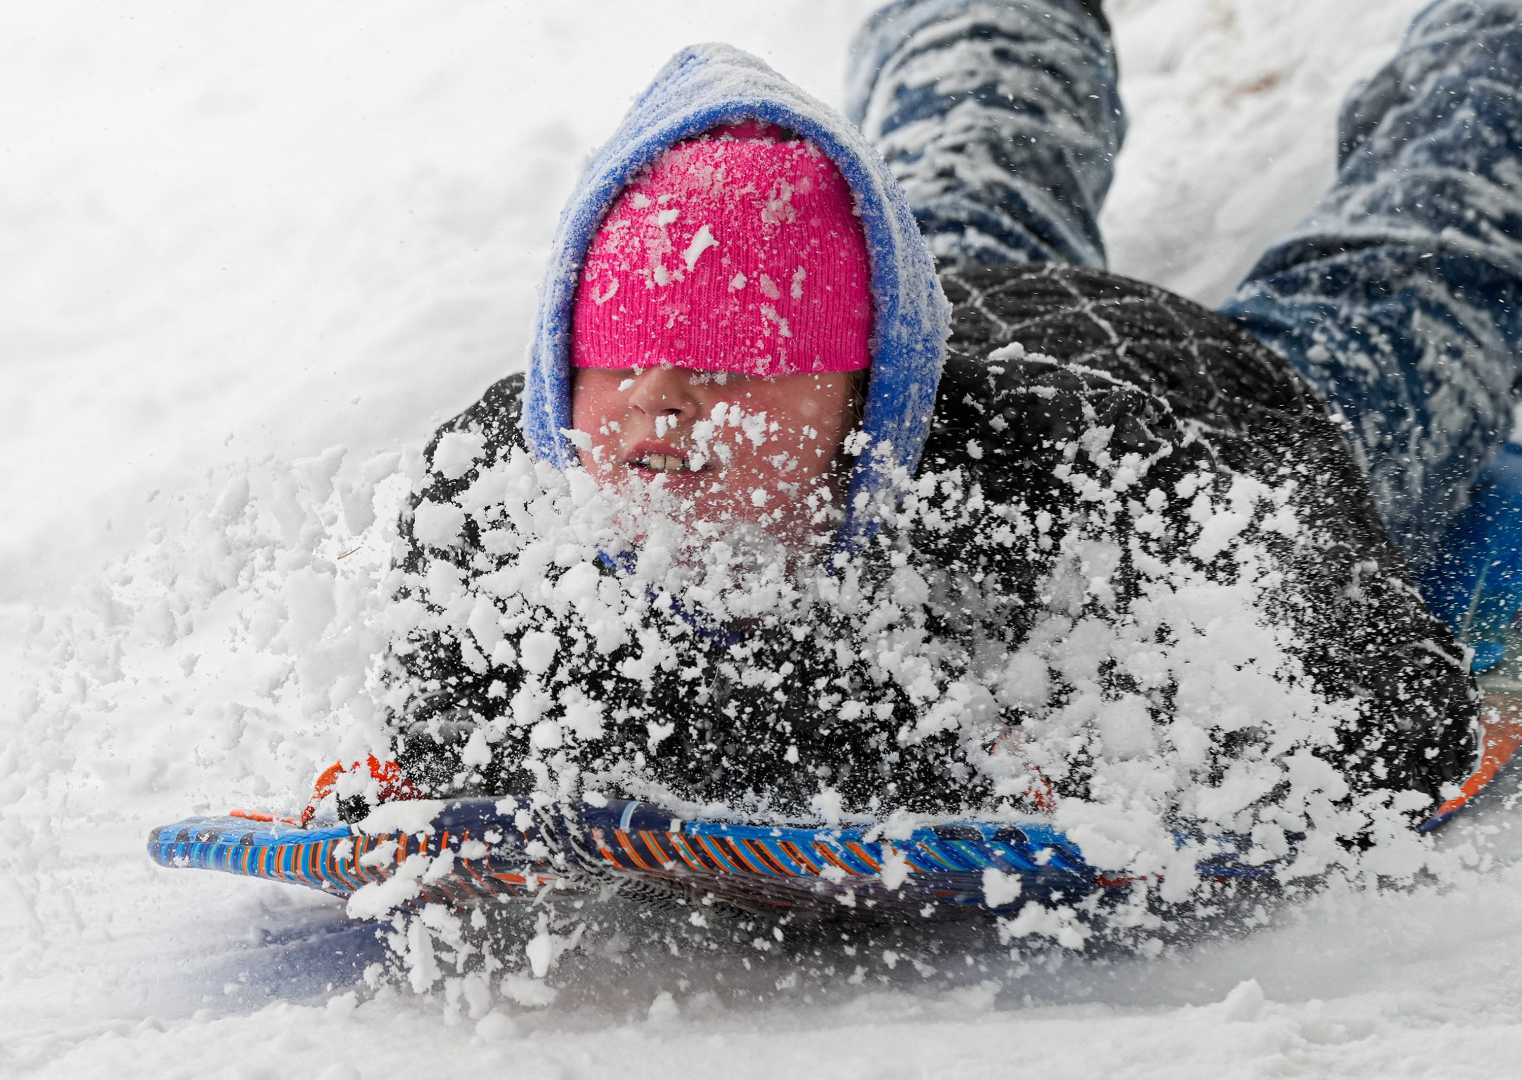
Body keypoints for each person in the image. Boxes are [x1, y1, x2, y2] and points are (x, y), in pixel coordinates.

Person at [368, 0, 1522, 846]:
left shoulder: (1072, 482)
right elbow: (447, 737)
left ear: (862, 398)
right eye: (615, 362)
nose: (658, 405)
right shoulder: (494, 492)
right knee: (979, 122)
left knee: (1427, 263)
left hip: (1210, 392)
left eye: (733, 373)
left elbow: (1378, 703)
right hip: (958, 283)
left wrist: (1154, 755)